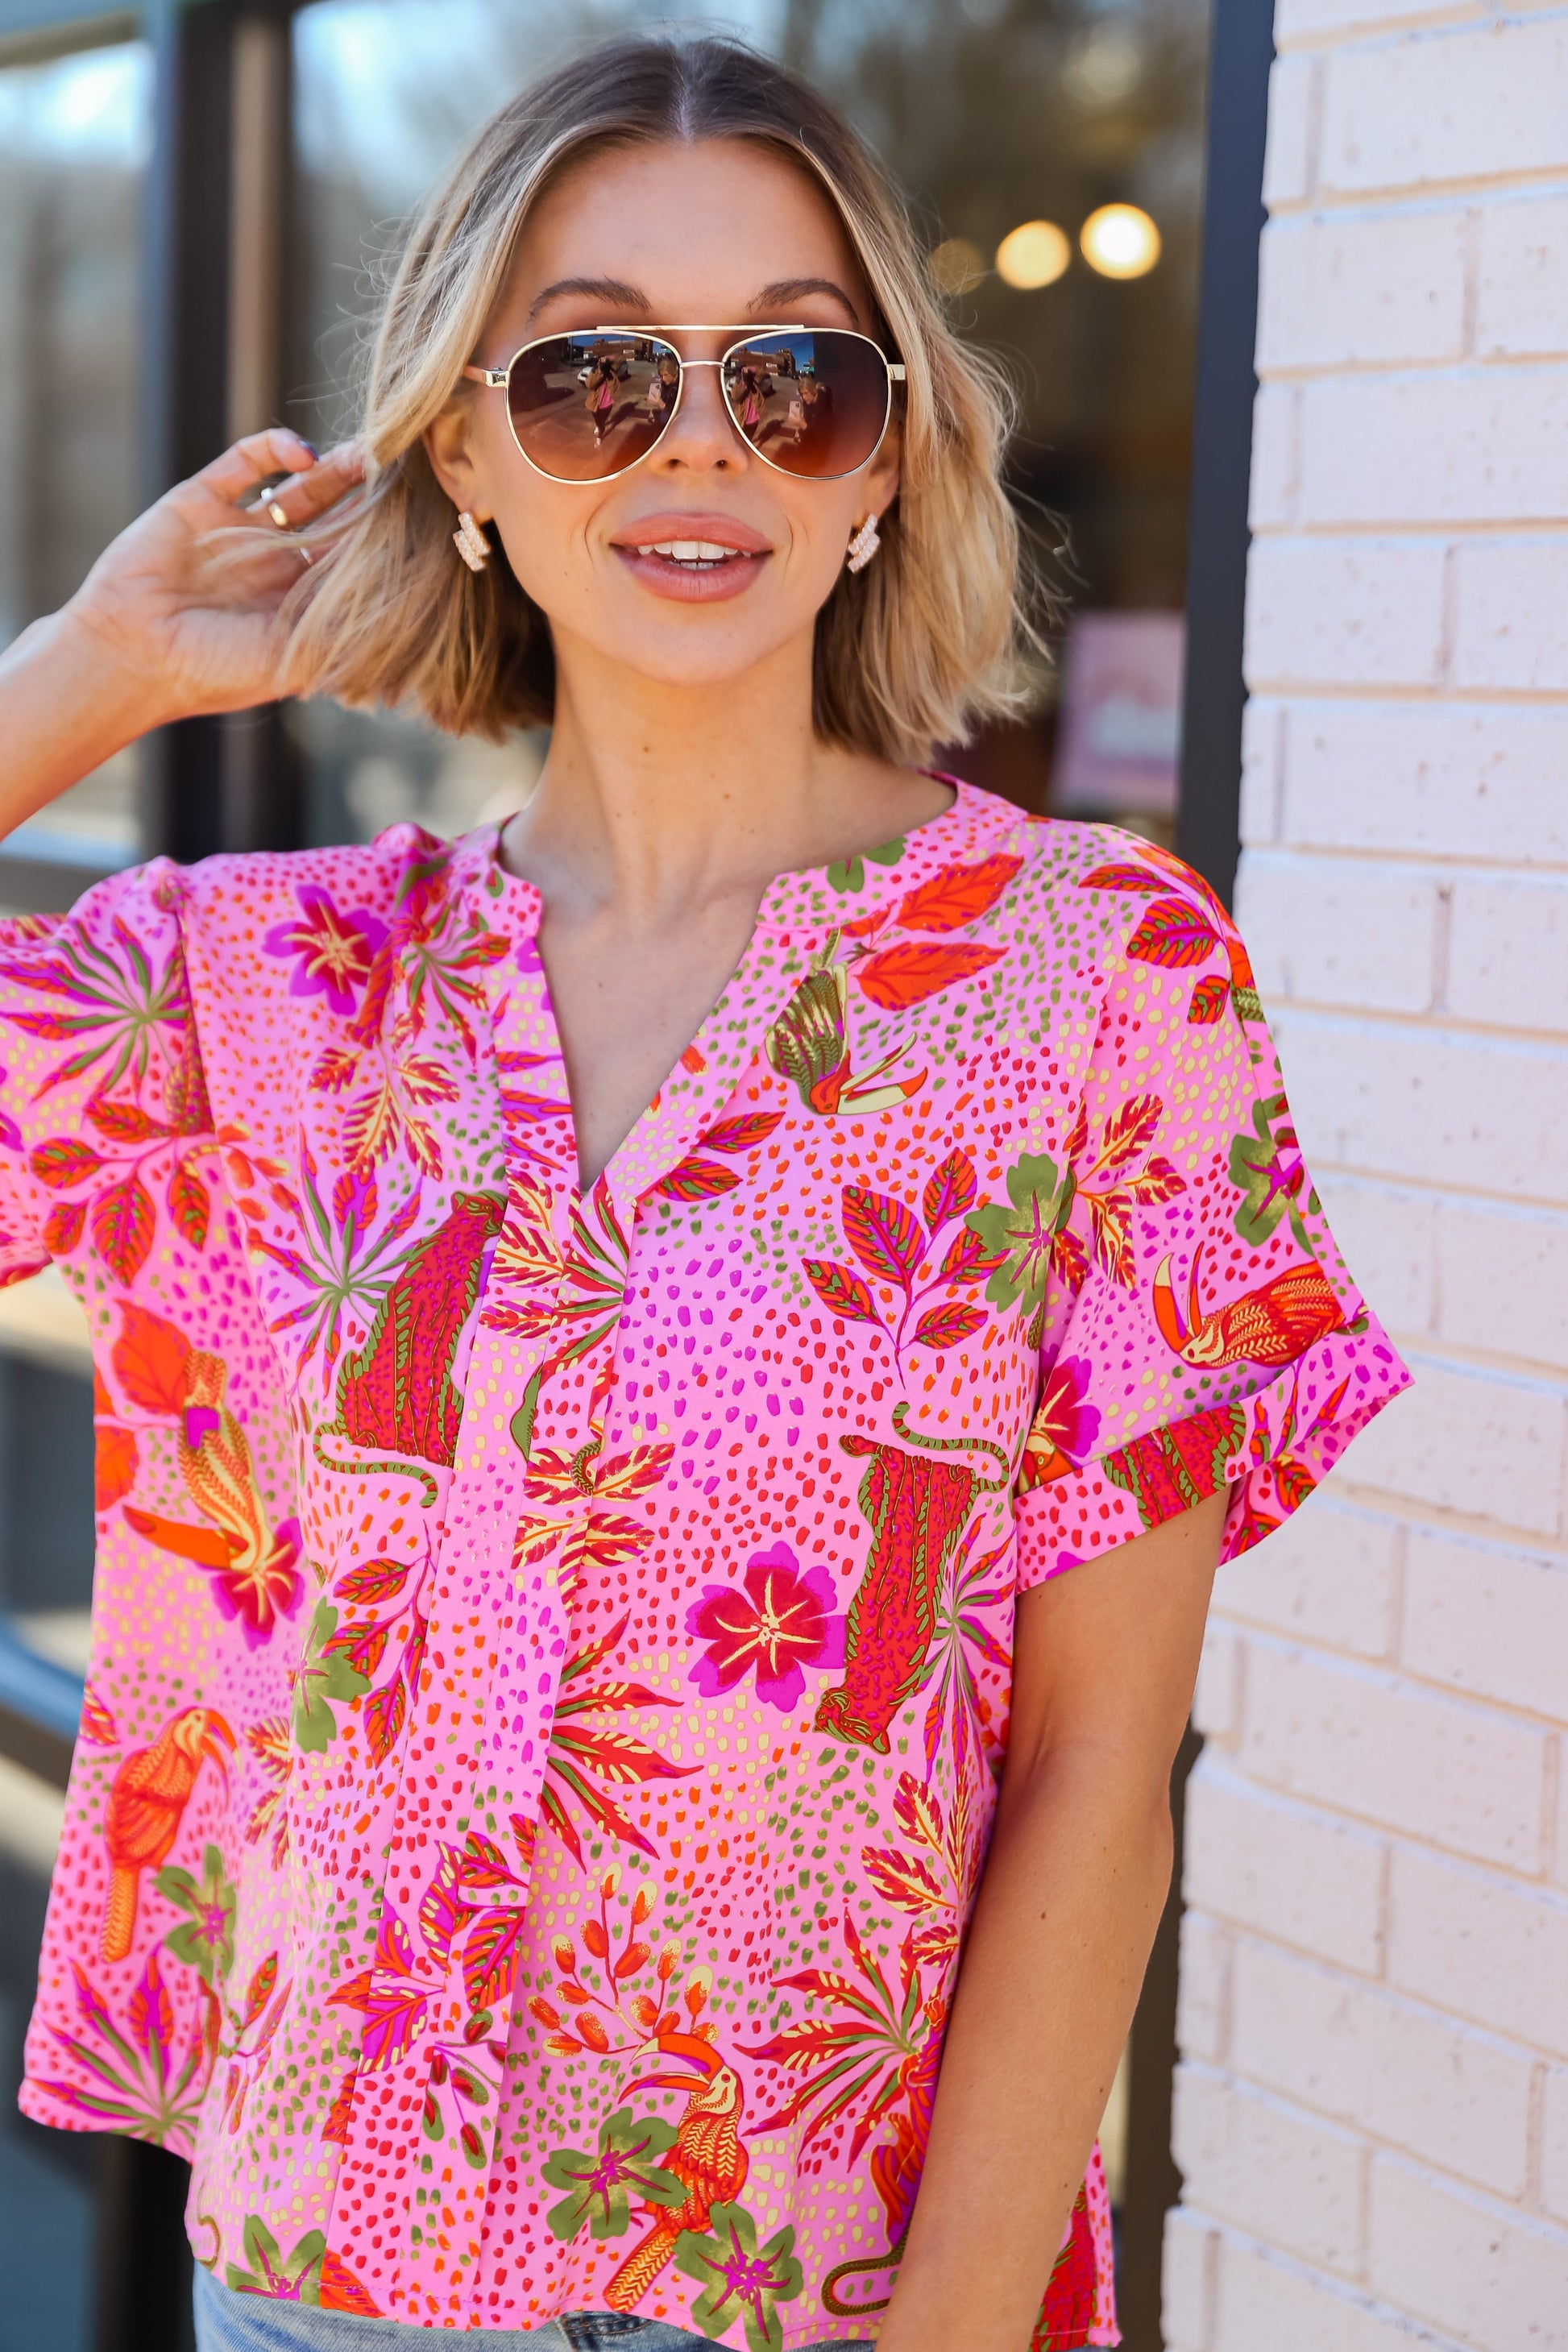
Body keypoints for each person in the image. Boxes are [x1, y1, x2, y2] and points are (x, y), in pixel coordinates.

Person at [0, 35, 1408, 2352]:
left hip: (819, 2296)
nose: (699, 446)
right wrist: (92, 669)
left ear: (883, 460)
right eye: (586, 378)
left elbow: (1091, 1764)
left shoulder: (1098, 984)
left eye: (790, 374)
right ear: (460, 442)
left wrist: (952, 2326)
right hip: (327, 2271)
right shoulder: (265, 993)